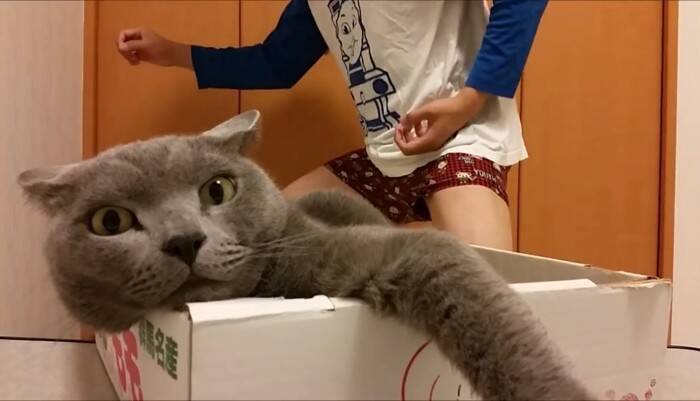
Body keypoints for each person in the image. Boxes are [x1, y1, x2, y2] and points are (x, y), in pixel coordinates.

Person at [117, 0, 548, 251]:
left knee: (487, 299)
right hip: (386, 157)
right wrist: (174, 53)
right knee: (265, 242)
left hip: (463, 141)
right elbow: (277, 63)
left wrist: (468, 101)